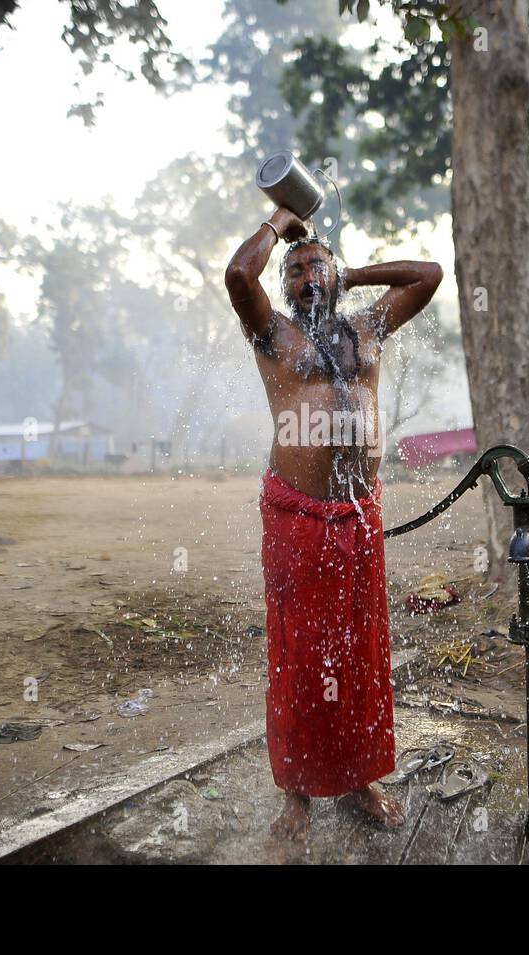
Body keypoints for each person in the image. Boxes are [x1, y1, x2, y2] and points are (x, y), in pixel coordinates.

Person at [224, 206, 442, 840]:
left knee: (361, 651)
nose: (305, 278)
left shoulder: (367, 326)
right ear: (284, 288)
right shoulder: (274, 337)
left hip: (358, 514)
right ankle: (295, 793)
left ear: (335, 274)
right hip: (297, 516)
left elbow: (427, 274)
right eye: (294, 271)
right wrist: (279, 221)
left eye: (316, 265)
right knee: (299, 652)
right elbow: (240, 274)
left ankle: (357, 778)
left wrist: (355, 273)